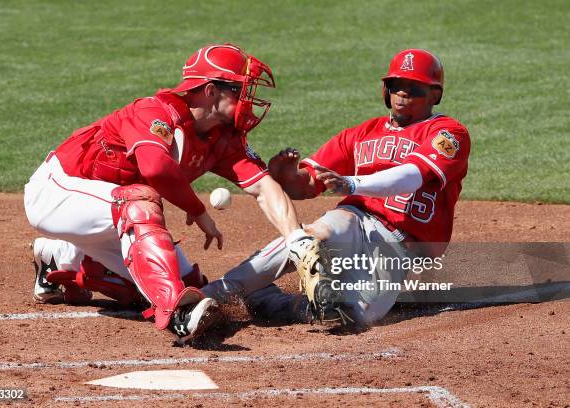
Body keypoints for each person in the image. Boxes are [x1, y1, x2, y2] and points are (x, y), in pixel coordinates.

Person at [24, 43, 321, 344]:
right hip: (56, 193)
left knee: (182, 283)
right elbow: (156, 169)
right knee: (139, 203)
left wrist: (297, 240)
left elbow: (264, 187)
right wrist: (197, 210)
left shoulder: (223, 138)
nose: (248, 99)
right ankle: (179, 313)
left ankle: (57, 259)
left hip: (102, 213)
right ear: (210, 91)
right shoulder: (154, 113)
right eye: (239, 90)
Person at [201, 49, 471, 326]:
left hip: (397, 249)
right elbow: (307, 185)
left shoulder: (448, 133)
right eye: (395, 86)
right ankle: (207, 295)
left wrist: (353, 182)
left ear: (435, 95)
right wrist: (286, 175)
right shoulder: (361, 133)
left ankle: (267, 300)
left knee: (350, 316)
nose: (402, 95)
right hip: (354, 220)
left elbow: (413, 175)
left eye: (413, 88)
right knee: (312, 236)